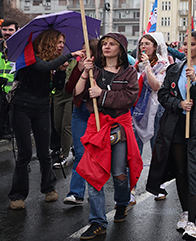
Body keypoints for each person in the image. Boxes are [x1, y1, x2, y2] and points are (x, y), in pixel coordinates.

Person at [147, 31, 196, 240]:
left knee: (195, 172)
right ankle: (186, 211)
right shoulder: (174, 68)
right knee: (181, 171)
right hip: (177, 126)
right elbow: (163, 94)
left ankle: (192, 223)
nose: (188, 47)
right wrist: (178, 104)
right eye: (185, 44)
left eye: (193, 44)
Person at [7, 29, 84, 210]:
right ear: (49, 41)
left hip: (42, 107)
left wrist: (60, 72)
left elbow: (59, 88)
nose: (61, 47)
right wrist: (68, 56)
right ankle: (17, 195)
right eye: (58, 42)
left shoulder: (54, 63)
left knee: (44, 151)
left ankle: (49, 188)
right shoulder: (29, 53)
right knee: (25, 152)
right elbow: (41, 67)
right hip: (22, 106)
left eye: (63, 43)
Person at [74, 33, 142, 239]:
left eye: (112, 44)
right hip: (97, 127)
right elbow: (77, 94)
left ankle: (122, 203)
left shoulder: (129, 72)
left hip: (119, 128)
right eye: (104, 44)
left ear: (120, 49)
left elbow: (129, 98)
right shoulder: (94, 71)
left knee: (119, 173)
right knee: (94, 176)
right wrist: (85, 74)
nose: (106, 47)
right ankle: (97, 222)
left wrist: (102, 94)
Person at [132, 33, 169, 201]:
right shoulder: (136, 64)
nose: (143, 47)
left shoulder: (163, 63)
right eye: (141, 44)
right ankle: (130, 188)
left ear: (155, 47)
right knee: (134, 150)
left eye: (147, 44)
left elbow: (156, 87)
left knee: (157, 149)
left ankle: (158, 185)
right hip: (139, 109)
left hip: (157, 109)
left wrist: (147, 67)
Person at [61, 39, 98, 207]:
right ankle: (76, 193)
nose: (82, 54)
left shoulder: (102, 67)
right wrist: (80, 70)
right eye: (81, 51)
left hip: (97, 113)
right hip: (80, 112)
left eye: (86, 51)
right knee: (81, 153)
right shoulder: (79, 66)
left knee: (96, 154)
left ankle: (96, 190)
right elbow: (70, 89)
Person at [0, 19, 17, 139]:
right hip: (0, 90)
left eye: (11, 30)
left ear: (17, 30)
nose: (7, 32)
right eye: (4, 29)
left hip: (15, 90)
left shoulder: (20, 50)